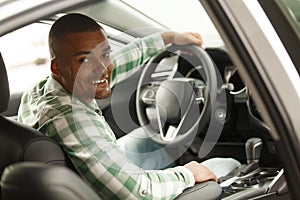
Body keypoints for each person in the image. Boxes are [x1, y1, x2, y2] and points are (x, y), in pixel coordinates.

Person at [18, 13, 240, 199]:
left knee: (151, 137)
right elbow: (136, 192)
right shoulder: (72, 118)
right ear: (57, 67)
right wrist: (187, 174)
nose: (103, 68)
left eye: (105, 54)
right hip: (119, 192)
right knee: (226, 164)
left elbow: (119, 61)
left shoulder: (41, 90)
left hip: (83, 174)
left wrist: (168, 38)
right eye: (85, 60)